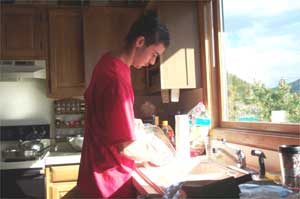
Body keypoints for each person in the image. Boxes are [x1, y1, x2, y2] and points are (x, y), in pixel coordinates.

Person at [77, 10, 170, 198]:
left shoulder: (109, 62)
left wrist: (129, 120)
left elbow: (105, 116)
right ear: (140, 42)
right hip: (110, 184)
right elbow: (127, 148)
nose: (152, 62)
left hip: (94, 177)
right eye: (154, 54)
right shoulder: (116, 79)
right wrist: (159, 157)